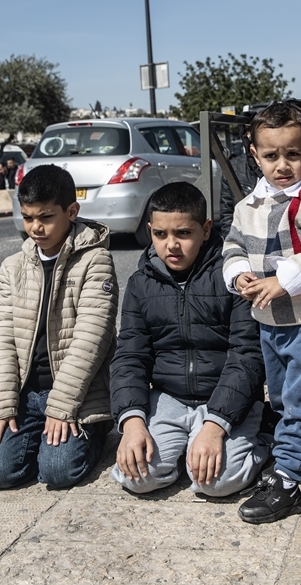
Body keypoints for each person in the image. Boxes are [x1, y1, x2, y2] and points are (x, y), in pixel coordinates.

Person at [222, 102, 301, 523]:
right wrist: (238, 274)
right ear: (254, 155)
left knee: (300, 397)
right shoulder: (247, 206)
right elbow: (233, 247)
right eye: (271, 155)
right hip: (269, 322)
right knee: (280, 396)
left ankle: (289, 478)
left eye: (292, 154)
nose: (282, 165)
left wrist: (284, 279)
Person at [110, 182, 269, 498]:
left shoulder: (232, 277)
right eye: (160, 235)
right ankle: (183, 446)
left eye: (183, 233)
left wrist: (214, 427)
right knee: (137, 476)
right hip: (168, 398)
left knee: (218, 482)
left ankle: (264, 437)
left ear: (206, 229)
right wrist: (131, 423)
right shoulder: (141, 284)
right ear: (150, 230)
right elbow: (130, 355)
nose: (171, 245)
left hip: (225, 399)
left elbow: (247, 354)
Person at [0, 165, 118, 490]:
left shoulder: (94, 261)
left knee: (58, 472)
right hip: (28, 395)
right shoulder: (13, 267)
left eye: (45, 217)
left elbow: (92, 339)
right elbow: (1, 341)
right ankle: (42, 438)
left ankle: (97, 434)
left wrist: (61, 408)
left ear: (72, 211)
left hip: (79, 395)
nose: (36, 227)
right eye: (28, 218)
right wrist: (1, 409)